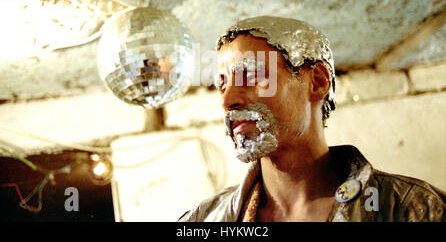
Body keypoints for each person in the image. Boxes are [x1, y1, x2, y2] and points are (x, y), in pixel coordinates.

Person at [178, 16, 446, 222]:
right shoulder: (202, 220)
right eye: (222, 85)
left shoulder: (414, 208)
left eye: (250, 76)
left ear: (317, 82)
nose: (227, 101)